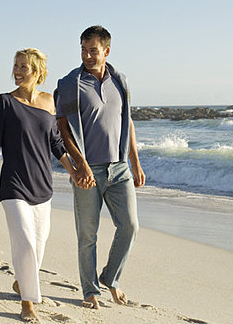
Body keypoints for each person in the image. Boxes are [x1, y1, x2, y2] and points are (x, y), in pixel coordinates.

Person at [55, 25, 146, 309]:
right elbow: (63, 128)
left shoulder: (121, 81)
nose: (87, 55)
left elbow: (127, 122)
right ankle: (90, 290)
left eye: (93, 50)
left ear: (106, 51)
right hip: (88, 171)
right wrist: (80, 164)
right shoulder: (71, 83)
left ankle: (110, 278)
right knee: (87, 234)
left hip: (119, 169)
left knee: (130, 226)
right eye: (83, 49)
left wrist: (135, 162)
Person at [0, 48, 79, 322]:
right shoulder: (4, 102)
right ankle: (28, 303)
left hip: (42, 185)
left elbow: (55, 143)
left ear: (37, 72)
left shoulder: (50, 102)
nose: (17, 71)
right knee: (24, 243)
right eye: (15, 65)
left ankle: (22, 284)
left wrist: (73, 171)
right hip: (13, 184)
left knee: (38, 245)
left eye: (23, 67)